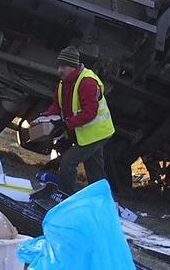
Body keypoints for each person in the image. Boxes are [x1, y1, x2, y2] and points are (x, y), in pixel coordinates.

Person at [37, 46, 116, 193]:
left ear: (73, 67)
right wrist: (45, 116)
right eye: (58, 66)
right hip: (88, 133)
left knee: (68, 162)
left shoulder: (87, 82)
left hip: (97, 133)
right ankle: (102, 201)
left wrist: (65, 125)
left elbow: (90, 112)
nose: (59, 70)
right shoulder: (63, 83)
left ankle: (67, 197)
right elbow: (57, 105)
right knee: (95, 172)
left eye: (64, 66)